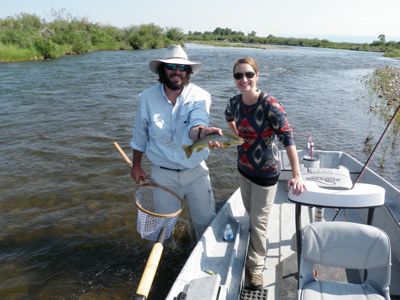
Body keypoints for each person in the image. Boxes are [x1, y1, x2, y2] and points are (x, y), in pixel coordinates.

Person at [225, 57, 305, 290]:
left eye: (249, 74)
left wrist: (296, 174)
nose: (244, 79)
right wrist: (237, 135)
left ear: (257, 76)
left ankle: (256, 267)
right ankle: (257, 249)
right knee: (252, 216)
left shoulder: (270, 104)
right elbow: (229, 117)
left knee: (258, 223)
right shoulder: (233, 103)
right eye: (239, 75)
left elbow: (288, 138)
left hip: (267, 174)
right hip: (243, 168)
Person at [129, 45, 222, 240]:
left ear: (188, 72)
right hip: (163, 176)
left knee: (205, 224)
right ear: (163, 69)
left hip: (196, 172)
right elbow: (140, 136)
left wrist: (203, 133)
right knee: (162, 231)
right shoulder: (146, 98)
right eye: (171, 66)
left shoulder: (201, 96)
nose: (176, 72)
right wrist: (136, 165)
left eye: (182, 68)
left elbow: (197, 123)